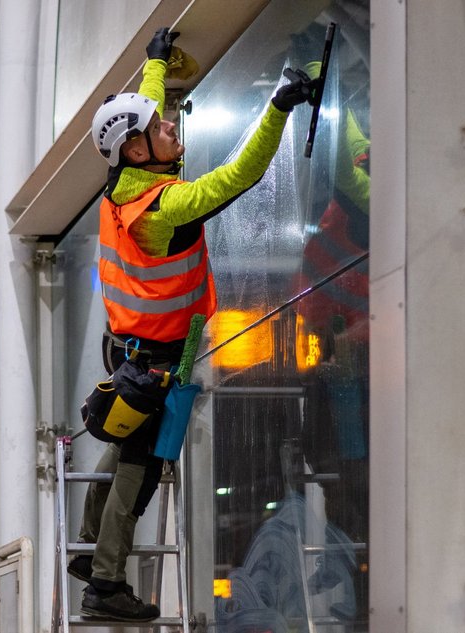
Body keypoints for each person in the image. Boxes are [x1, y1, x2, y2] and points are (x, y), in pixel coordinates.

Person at [71, 26, 317, 622]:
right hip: (154, 361)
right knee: (143, 465)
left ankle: (86, 550)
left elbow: (144, 112)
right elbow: (238, 178)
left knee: (122, 448)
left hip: (130, 350)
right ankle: (104, 586)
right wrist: (279, 106)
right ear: (136, 151)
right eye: (160, 129)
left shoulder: (122, 184)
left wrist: (153, 64)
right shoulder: (163, 209)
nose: (171, 128)